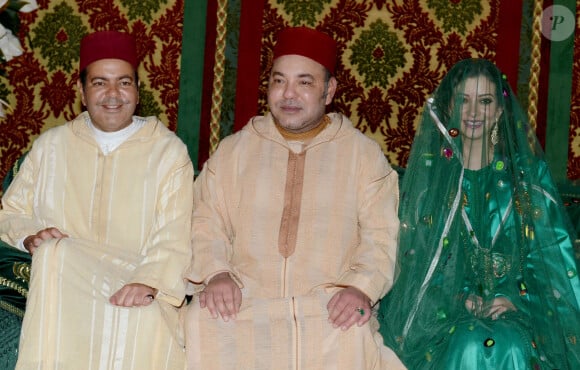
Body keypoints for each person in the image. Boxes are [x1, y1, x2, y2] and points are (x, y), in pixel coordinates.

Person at [183, 26, 405, 369]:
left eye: (304, 82)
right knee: (202, 321)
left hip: (329, 305)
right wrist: (217, 274)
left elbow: (382, 235)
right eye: (278, 81)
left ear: (329, 90)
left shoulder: (362, 155)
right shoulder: (234, 152)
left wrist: (360, 288)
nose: (289, 94)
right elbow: (205, 220)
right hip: (246, 300)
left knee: (352, 333)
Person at [0, 30, 194, 369]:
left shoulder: (167, 152)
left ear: (137, 88)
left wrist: (148, 281)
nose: (113, 95)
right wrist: (30, 236)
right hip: (62, 287)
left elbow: (175, 233)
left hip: (133, 283)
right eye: (100, 83)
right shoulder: (52, 147)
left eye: (124, 82)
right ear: (81, 90)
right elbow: (9, 213)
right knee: (57, 252)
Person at [377, 58, 580, 369]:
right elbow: (413, 263)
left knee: (506, 343)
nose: (472, 113)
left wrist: (516, 300)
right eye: (463, 100)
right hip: (444, 315)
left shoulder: (525, 179)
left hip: (520, 314)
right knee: (468, 340)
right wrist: (457, 299)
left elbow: (551, 261)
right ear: (449, 108)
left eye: (484, 101)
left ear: (499, 110)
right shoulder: (431, 184)